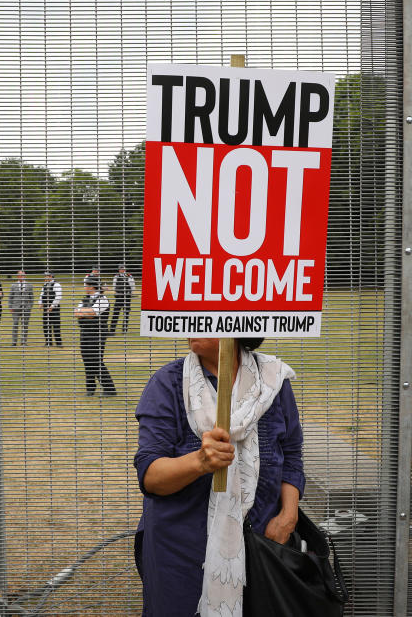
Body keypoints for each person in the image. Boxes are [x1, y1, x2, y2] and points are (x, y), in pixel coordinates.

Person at [133, 337, 304, 616]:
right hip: (180, 552)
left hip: (264, 546)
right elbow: (151, 476)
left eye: (205, 315)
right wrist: (200, 461)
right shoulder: (168, 384)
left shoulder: (273, 382)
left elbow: (291, 453)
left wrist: (288, 516)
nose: (193, 323)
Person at [74, 274, 115, 396]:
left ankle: (109, 389)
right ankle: (90, 389)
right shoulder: (84, 299)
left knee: (96, 360)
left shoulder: (103, 299)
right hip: (85, 332)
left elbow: (93, 313)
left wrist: (84, 312)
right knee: (87, 360)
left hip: (97, 333)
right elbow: (76, 313)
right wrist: (85, 312)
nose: (84, 286)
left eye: (86, 284)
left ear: (92, 286)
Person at [8, 270, 34, 345]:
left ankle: (23, 342)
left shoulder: (29, 285)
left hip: (26, 308)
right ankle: (14, 342)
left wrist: (30, 306)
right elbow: (10, 297)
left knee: (25, 325)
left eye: (23, 275)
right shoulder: (13, 285)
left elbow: (31, 297)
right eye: (20, 275)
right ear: (18, 276)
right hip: (16, 308)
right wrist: (10, 307)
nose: (22, 277)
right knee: (15, 324)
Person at [110, 264, 135, 334]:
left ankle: (124, 330)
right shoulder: (116, 276)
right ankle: (112, 330)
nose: (121, 270)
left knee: (126, 314)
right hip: (119, 297)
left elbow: (132, 286)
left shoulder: (129, 276)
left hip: (127, 297)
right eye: (120, 269)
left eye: (122, 268)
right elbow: (114, 286)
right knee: (115, 313)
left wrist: (130, 294)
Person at [40, 271, 63, 346]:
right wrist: (40, 303)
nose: (44, 277)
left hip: (54, 308)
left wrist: (52, 306)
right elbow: (42, 295)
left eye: (46, 276)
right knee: (46, 325)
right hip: (46, 308)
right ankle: (48, 342)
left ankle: (58, 343)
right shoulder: (44, 285)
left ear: (50, 276)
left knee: (56, 325)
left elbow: (58, 297)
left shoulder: (57, 285)